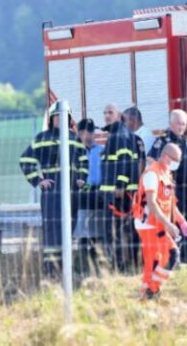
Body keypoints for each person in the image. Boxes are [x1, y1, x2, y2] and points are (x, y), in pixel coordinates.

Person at [19, 102, 88, 278]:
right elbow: (25, 160)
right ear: (51, 119)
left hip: (72, 191)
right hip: (52, 193)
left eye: (63, 117)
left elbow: (83, 161)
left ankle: (66, 269)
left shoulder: (74, 138)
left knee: (69, 229)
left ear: (69, 119)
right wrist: (38, 180)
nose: (60, 120)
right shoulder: (42, 138)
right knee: (52, 230)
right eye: (57, 117)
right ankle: (51, 271)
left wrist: (82, 178)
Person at [133, 143, 187, 300]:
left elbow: (170, 204)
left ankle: (148, 294)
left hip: (158, 222)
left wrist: (182, 221)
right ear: (165, 156)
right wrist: (169, 224)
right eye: (176, 159)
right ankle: (151, 291)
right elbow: (152, 204)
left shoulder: (166, 173)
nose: (177, 163)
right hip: (148, 223)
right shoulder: (152, 174)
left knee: (156, 260)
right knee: (170, 255)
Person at [100, 103, 143, 272]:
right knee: (124, 231)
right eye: (105, 112)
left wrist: (119, 185)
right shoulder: (118, 134)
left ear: (118, 116)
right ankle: (128, 265)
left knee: (115, 233)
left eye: (110, 112)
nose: (107, 115)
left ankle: (120, 267)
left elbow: (125, 160)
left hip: (118, 194)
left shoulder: (119, 135)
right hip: (121, 192)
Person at [148, 109, 187, 262]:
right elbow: (150, 159)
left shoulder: (183, 141)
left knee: (184, 221)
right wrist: (164, 176)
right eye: (178, 123)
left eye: (184, 124)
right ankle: (171, 257)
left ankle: (185, 258)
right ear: (170, 123)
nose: (181, 127)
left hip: (185, 188)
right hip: (170, 189)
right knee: (171, 221)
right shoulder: (163, 140)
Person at [73, 118, 106, 275]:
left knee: (98, 233)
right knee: (83, 233)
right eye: (85, 132)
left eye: (91, 132)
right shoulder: (75, 152)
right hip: (83, 194)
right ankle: (82, 267)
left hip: (99, 194)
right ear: (79, 133)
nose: (89, 135)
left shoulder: (101, 150)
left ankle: (97, 266)